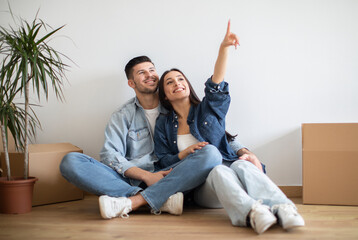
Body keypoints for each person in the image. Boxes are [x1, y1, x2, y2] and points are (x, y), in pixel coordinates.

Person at [154, 20, 305, 234]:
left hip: (235, 176)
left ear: (188, 85)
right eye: (169, 82)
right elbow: (163, 161)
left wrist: (224, 49)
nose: (177, 82)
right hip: (201, 188)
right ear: (165, 95)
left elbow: (216, 84)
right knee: (217, 171)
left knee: (242, 165)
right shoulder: (163, 124)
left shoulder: (207, 111)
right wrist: (183, 154)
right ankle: (252, 213)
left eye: (180, 78)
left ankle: (284, 207)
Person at [60, 53, 245, 219]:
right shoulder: (123, 115)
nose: (150, 75)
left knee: (211, 153)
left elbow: (216, 133)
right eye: (142, 73)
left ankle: (137, 201)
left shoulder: (176, 102)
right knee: (71, 161)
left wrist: (242, 150)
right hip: (133, 179)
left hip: (174, 172)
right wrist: (147, 176)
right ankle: (159, 199)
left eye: (152, 70)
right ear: (131, 83)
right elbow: (109, 155)